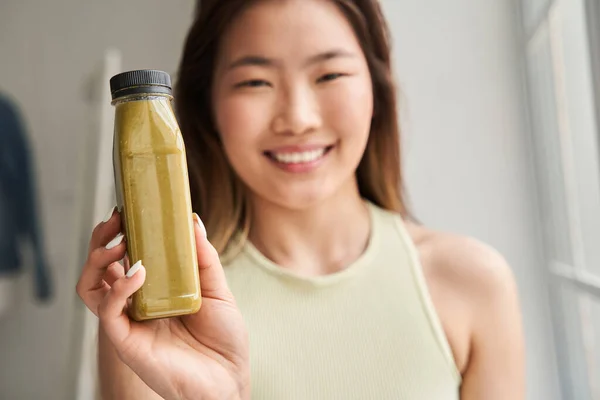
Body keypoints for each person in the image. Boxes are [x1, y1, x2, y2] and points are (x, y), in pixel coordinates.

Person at [76, 0, 525, 398]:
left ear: (376, 86)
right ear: (206, 102)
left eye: (329, 74)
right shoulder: (157, 310)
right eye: (255, 82)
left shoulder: (473, 284)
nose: (298, 118)